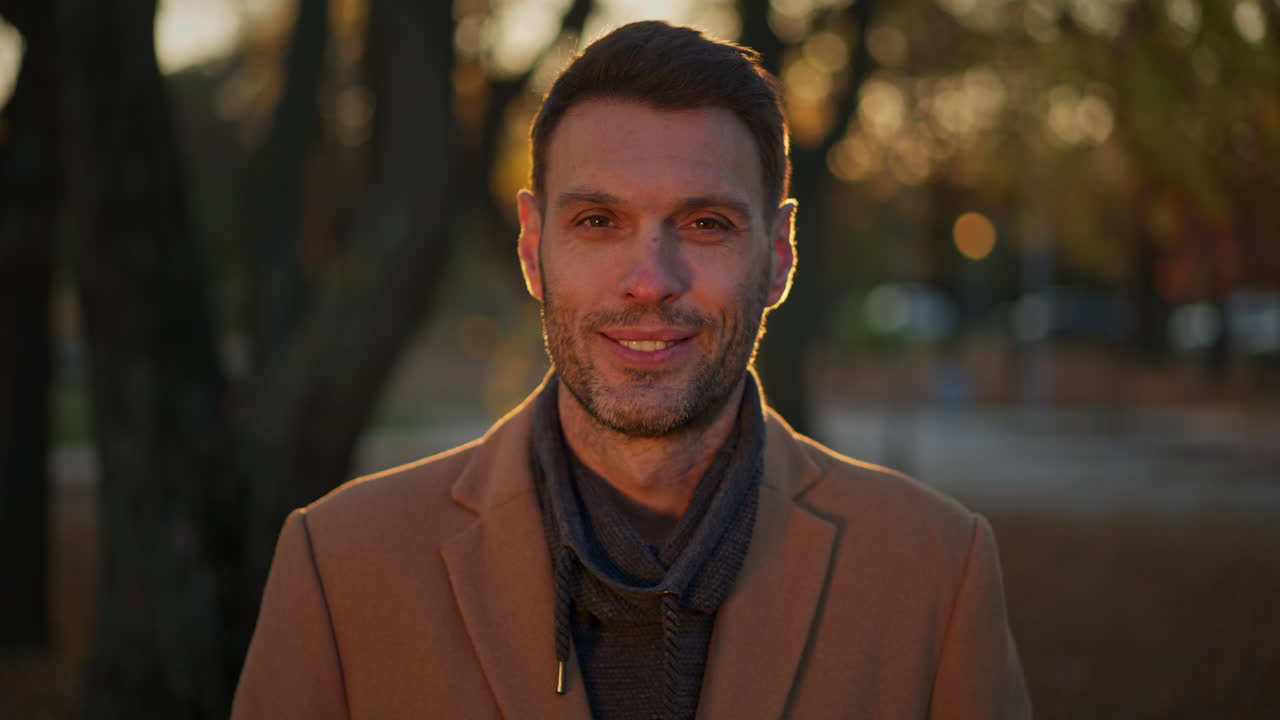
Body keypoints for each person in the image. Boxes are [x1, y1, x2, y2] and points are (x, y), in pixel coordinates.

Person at [231, 20, 1030, 720]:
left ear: (779, 255)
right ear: (531, 246)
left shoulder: (933, 568)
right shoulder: (340, 568)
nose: (650, 279)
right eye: (598, 221)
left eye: (706, 223)